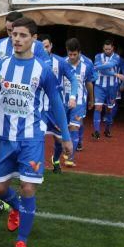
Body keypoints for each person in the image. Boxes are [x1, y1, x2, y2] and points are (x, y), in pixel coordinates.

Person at [0, 17, 72, 247]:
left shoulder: (42, 70)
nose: (17, 39)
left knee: (27, 187)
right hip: (4, 137)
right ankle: (16, 209)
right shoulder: (0, 67)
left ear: (34, 39)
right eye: (14, 34)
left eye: (23, 35)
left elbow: (56, 103)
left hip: (32, 137)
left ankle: (22, 242)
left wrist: (65, 135)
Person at [38, 35, 79, 174]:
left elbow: (73, 79)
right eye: (42, 46)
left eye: (47, 46)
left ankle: (55, 160)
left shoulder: (60, 62)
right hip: (38, 109)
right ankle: (34, 167)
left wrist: (73, 97)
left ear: (51, 46)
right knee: (36, 139)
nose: (45, 49)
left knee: (60, 141)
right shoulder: (33, 62)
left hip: (55, 109)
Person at [61, 38, 94, 168]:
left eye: (75, 54)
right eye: (70, 54)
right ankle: (66, 149)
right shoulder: (61, 63)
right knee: (64, 128)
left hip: (79, 102)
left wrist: (92, 99)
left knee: (74, 127)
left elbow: (89, 82)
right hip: (63, 101)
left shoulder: (88, 64)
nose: (72, 57)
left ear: (79, 52)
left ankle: (70, 158)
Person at [91, 38, 124, 140]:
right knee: (98, 108)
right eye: (105, 49)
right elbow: (99, 68)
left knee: (109, 109)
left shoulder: (117, 57)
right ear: (103, 48)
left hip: (112, 87)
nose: (107, 51)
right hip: (99, 86)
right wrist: (115, 74)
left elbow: (107, 66)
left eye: (109, 49)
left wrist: (99, 67)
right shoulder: (97, 56)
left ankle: (107, 129)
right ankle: (96, 132)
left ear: (112, 48)